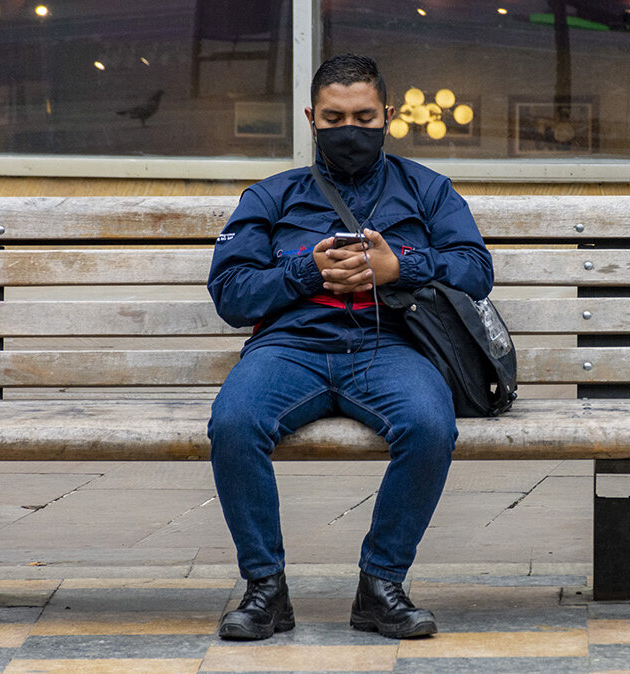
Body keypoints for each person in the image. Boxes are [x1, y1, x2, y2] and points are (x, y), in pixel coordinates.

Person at [206, 53, 494, 641]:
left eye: (364, 116)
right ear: (312, 118)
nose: (350, 130)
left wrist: (400, 267)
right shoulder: (271, 195)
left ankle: (380, 586)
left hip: (392, 347)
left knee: (429, 425)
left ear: (387, 114)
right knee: (234, 422)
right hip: (290, 349)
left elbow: (476, 270)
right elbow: (232, 294)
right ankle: (265, 589)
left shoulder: (427, 189)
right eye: (334, 117)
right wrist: (304, 273)